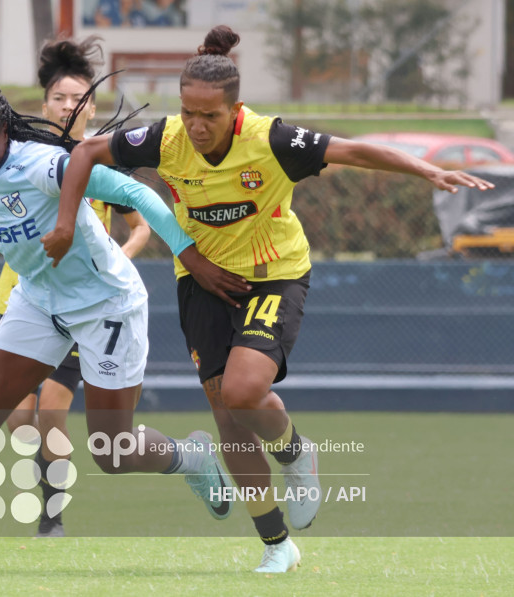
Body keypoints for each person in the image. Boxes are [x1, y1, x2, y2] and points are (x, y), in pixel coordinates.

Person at [43, 25, 495, 573]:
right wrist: (66, 223)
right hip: (203, 285)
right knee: (227, 416)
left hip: (273, 276)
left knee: (242, 390)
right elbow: (88, 151)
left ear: (235, 111)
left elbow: (349, 149)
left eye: (209, 116)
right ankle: (277, 544)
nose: (196, 125)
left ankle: (295, 452)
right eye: (188, 112)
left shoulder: (271, 140)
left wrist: (424, 168)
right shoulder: (166, 139)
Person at [0, 80, 246, 572]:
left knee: (112, 451)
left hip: (106, 304)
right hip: (38, 300)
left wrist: (189, 254)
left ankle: (192, 458)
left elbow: (134, 190)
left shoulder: (42, 165)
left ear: (5, 133)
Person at [0, 35, 151, 538]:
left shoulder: (102, 159)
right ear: (44, 105)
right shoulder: (18, 157)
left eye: (78, 100)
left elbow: (142, 224)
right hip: (28, 299)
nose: (67, 107)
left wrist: (117, 263)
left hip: (87, 306)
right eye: (59, 98)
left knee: (52, 412)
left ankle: (52, 518)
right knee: (18, 419)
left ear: (92, 108)